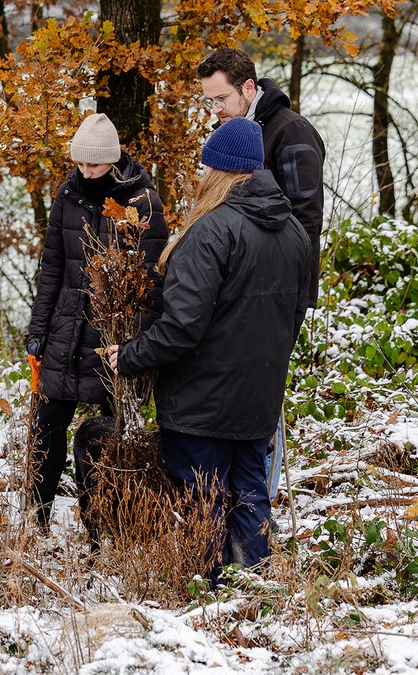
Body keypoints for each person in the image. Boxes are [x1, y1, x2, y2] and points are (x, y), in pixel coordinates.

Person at [106, 118, 311, 581]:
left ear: (219, 170)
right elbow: (295, 316)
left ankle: (208, 599)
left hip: (201, 403)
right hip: (259, 397)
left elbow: (181, 327)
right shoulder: (297, 234)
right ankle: (255, 592)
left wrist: (132, 355)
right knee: (250, 494)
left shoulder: (210, 233)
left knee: (204, 501)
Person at [25, 113, 167, 530]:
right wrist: (39, 331)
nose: (85, 172)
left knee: (110, 434)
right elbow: (51, 267)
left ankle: (101, 524)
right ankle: (36, 520)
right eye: (80, 163)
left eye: (94, 164)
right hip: (67, 330)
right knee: (46, 431)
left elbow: (151, 280)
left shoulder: (141, 201)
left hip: (114, 335)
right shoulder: (67, 195)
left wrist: (139, 344)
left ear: (112, 159)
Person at [197, 47, 325, 304]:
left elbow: (306, 217)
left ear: (247, 87)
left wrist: (287, 287)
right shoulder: (229, 129)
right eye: (209, 101)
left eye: (221, 98)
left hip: (279, 286)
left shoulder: (292, 131)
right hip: (241, 279)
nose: (215, 109)